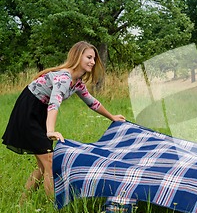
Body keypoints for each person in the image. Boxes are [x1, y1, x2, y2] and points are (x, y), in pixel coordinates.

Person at [2, 41, 126, 203]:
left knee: (43, 165)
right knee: (51, 163)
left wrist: (112, 117)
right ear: (77, 57)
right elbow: (54, 103)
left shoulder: (78, 83)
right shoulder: (64, 77)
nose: (93, 62)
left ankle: (21, 204)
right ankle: (54, 208)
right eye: (89, 57)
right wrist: (50, 130)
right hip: (28, 112)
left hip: (40, 113)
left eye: (94, 59)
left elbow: (92, 103)